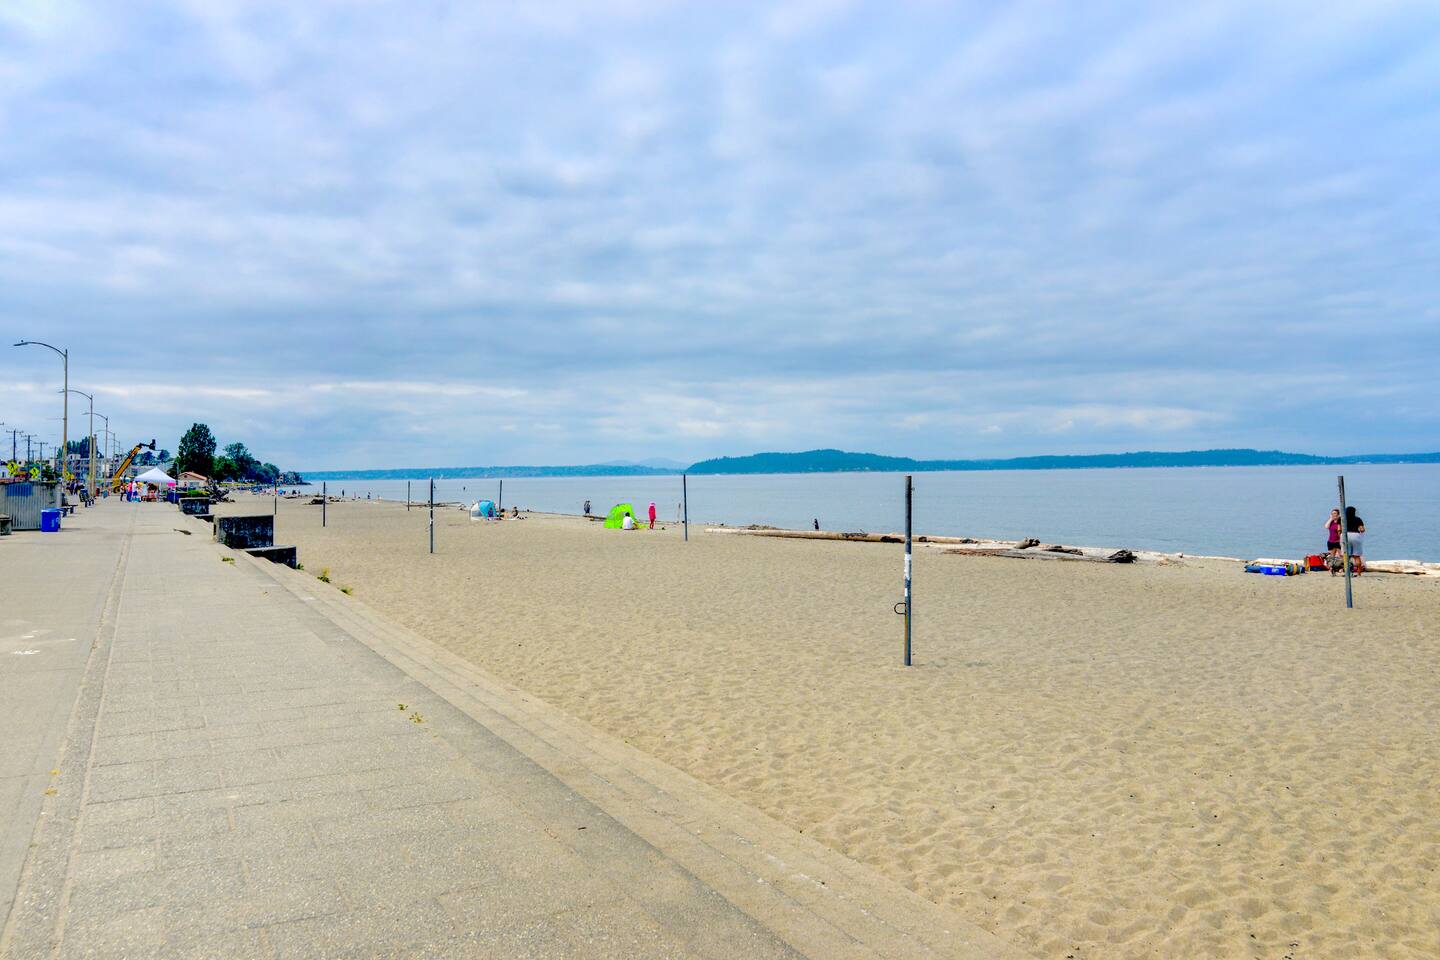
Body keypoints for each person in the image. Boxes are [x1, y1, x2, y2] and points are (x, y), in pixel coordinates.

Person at [1344, 506, 1366, 576]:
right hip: (1355, 535)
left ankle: (1347, 572)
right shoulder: (1358, 519)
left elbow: (1339, 529)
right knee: (1356, 556)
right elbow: (1362, 529)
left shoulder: (1342, 518)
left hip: (1345, 535)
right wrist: (1361, 532)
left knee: (1346, 556)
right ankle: (1359, 573)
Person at [1324, 508, 1343, 574]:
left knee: (1341, 556)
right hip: (1331, 541)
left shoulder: (1340, 522)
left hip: (1338, 541)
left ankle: (1341, 568)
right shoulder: (1331, 522)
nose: (1333, 514)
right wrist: (1330, 519)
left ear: (1338, 514)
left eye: (1335, 513)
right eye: (1332, 513)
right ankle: (1332, 568)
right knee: (1332, 556)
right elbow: (1326, 526)